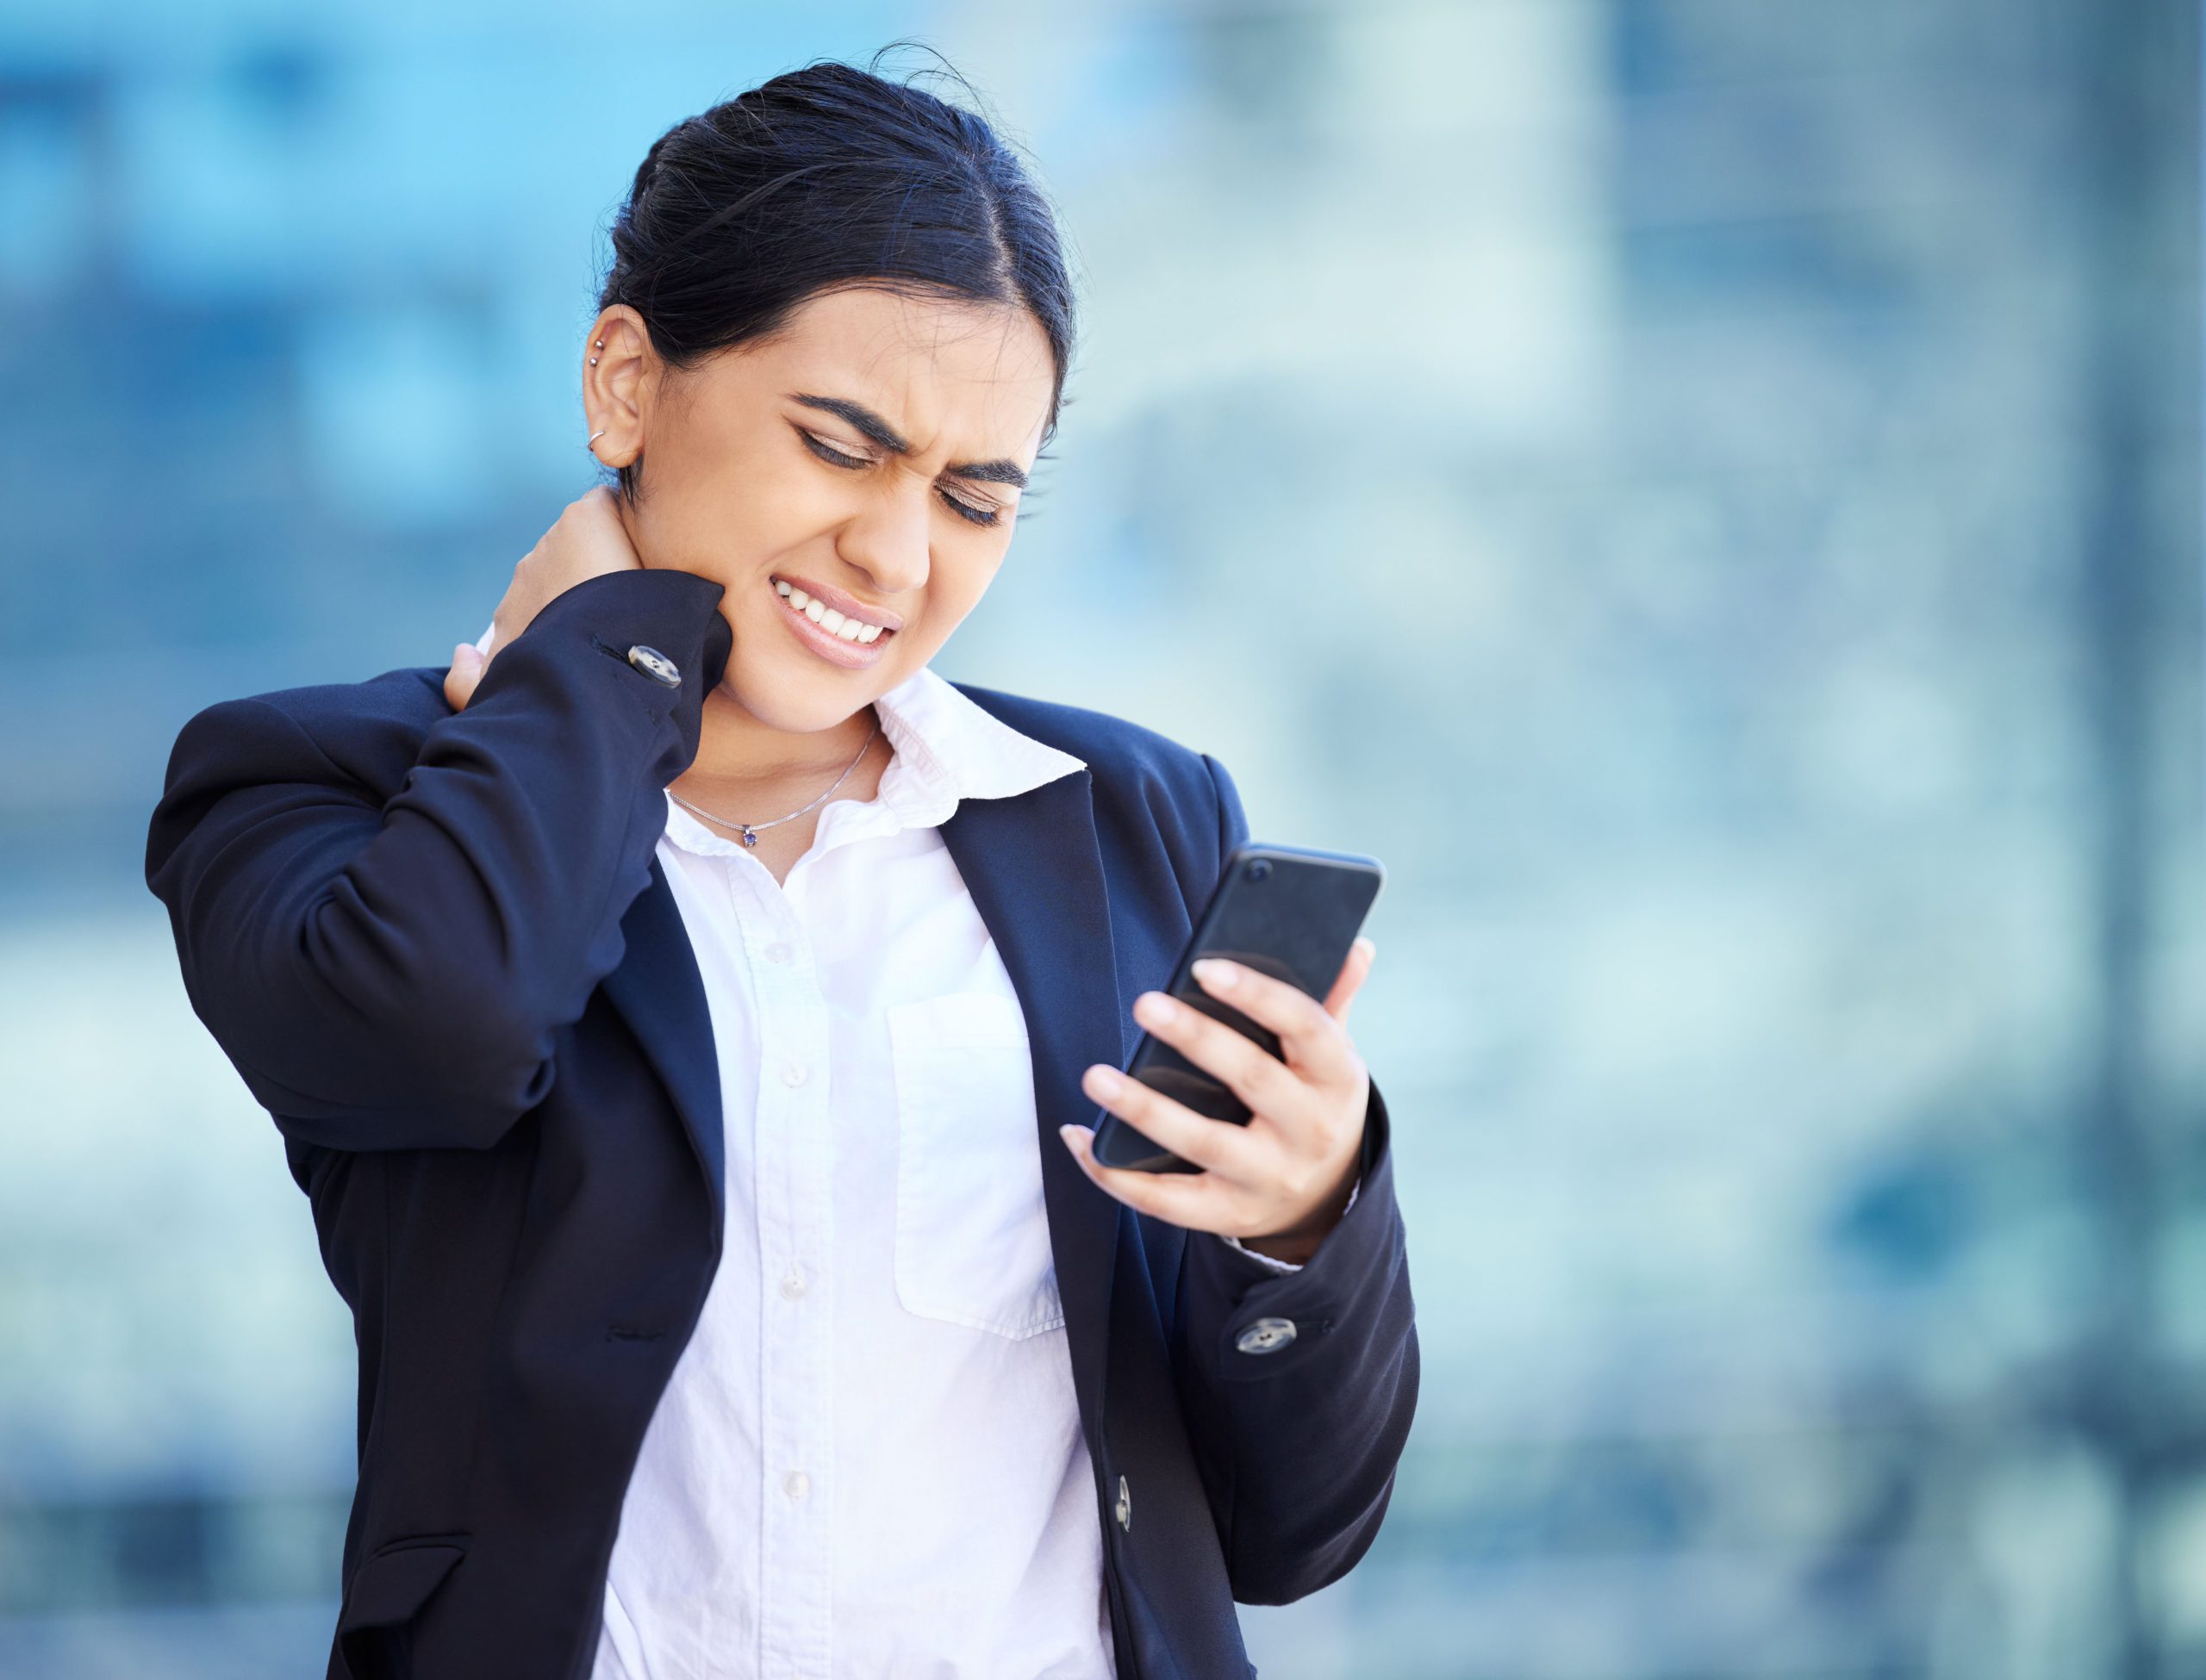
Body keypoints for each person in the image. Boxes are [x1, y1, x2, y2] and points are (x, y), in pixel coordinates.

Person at [144, 52, 1418, 1680]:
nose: (898, 555)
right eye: (841, 445)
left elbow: (1293, 1529)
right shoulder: (329, 791)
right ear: (625, 382)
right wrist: (597, 655)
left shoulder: (1132, 823)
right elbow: (444, 1024)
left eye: (974, 495)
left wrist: (1304, 1221)